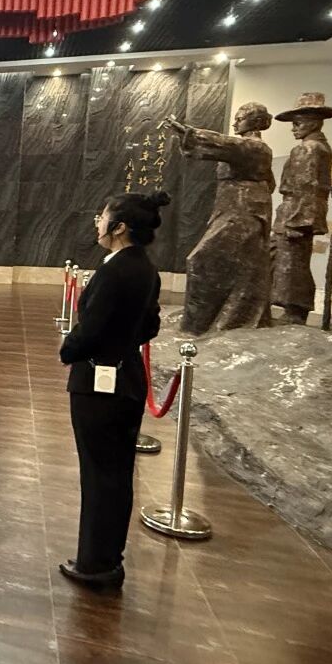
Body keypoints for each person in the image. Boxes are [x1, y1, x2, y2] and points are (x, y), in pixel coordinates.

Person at [57, 191, 170, 588]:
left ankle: (96, 564)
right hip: (128, 377)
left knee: (99, 475)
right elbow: (150, 325)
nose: (97, 223)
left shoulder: (117, 271)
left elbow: (91, 329)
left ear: (119, 227)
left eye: (102, 217)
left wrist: (68, 350)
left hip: (100, 384)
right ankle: (106, 558)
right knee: (115, 474)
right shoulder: (145, 268)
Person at [163, 104, 276, 333]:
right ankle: (217, 320)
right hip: (233, 209)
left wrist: (190, 133)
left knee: (201, 260)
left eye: (240, 118)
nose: (235, 123)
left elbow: (224, 143)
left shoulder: (255, 147)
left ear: (256, 122)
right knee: (240, 268)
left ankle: (200, 325)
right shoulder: (244, 149)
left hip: (243, 212)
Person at [270, 93, 332, 324]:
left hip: (296, 213)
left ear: (314, 122)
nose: (293, 128)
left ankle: (295, 311)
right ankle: (292, 309)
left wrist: (297, 221)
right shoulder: (320, 147)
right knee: (285, 260)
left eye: (298, 123)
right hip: (296, 212)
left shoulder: (308, 149)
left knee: (292, 265)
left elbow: (306, 186)